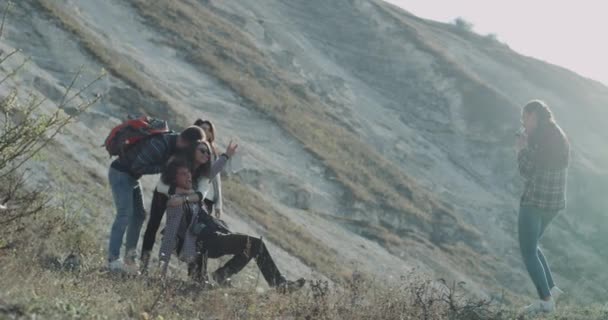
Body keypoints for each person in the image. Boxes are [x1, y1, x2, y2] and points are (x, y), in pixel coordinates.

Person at [161, 159, 305, 291]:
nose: (189, 176)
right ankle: (277, 284)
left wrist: (225, 156)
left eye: (189, 173)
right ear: (175, 178)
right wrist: (162, 269)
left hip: (213, 239)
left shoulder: (194, 195)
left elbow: (209, 174)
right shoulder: (176, 202)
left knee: (254, 246)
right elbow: (170, 234)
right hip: (203, 244)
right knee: (200, 286)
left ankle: (223, 274)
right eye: (184, 174)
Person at [107, 126, 205, 274]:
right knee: (124, 214)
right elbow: (137, 166)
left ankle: (129, 260)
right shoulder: (160, 144)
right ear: (185, 142)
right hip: (121, 174)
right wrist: (164, 166)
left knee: (139, 215)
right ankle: (113, 259)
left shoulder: (174, 143)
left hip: (132, 178)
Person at [140, 139, 237, 274]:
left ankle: (194, 276)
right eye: (202, 151)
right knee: (170, 235)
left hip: (191, 209)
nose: (206, 155)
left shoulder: (202, 171)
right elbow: (164, 185)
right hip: (177, 205)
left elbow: (213, 171)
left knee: (191, 241)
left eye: (208, 153)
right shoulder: (180, 165)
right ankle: (161, 271)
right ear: (193, 151)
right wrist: (185, 193)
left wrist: (226, 155)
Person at [516, 100, 569, 315]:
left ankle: (546, 301)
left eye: (525, 118)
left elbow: (526, 171)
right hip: (553, 204)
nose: (523, 123)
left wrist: (520, 149)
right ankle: (553, 289)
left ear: (534, 116)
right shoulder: (557, 135)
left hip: (535, 202)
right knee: (534, 243)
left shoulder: (538, 140)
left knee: (528, 251)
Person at [194, 119, 223, 219]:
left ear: (211, 134)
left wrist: (218, 205)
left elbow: (216, 180)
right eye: (202, 128)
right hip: (194, 193)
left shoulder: (213, 154)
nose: (205, 131)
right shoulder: (193, 147)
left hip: (208, 198)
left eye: (208, 129)